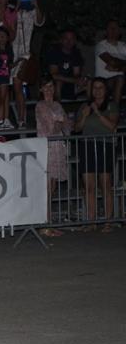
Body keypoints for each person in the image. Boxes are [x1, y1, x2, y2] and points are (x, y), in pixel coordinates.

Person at [74, 77, 118, 230]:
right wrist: (85, 115)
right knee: (89, 186)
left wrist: (98, 112)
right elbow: (77, 128)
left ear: (106, 90)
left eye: (101, 88)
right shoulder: (84, 106)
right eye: (95, 88)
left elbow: (112, 126)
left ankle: (108, 222)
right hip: (87, 145)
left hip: (105, 145)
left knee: (105, 184)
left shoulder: (111, 106)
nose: (97, 91)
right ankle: (91, 222)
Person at [35, 76, 71, 237]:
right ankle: (44, 224)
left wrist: (61, 122)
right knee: (47, 188)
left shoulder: (57, 104)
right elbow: (50, 127)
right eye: (45, 87)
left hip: (58, 147)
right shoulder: (40, 105)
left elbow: (68, 125)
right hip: (46, 147)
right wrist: (60, 121)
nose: (49, 89)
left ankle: (48, 222)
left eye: (51, 86)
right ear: (41, 89)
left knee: (53, 187)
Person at [11, 0, 45, 128]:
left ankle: (21, 120)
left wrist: (36, 4)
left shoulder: (32, 12)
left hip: (24, 55)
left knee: (18, 85)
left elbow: (40, 22)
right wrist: (18, 5)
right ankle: (11, 119)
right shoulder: (12, 10)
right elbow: (8, 24)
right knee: (11, 88)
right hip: (10, 53)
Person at [46, 30, 88, 101]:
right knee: (59, 82)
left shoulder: (76, 54)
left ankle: (89, 105)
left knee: (89, 81)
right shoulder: (54, 52)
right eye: (66, 38)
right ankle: (58, 104)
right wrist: (73, 80)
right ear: (61, 40)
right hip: (55, 82)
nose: (69, 41)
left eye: (71, 39)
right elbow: (54, 75)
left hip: (70, 81)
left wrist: (81, 79)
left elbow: (76, 74)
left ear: (74, 41)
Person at [95, 20, 126, 104]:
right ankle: (115, 110)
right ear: (106, 31)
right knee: (120, 78)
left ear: (119, 31)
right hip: (104, 82)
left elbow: (113, 64)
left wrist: (117, 67)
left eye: (115, 28)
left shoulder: (123, 46)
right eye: (110, 27)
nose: (113, 30)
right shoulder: (101, 45)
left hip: (122, 82)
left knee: (120, 78)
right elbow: (111, 61)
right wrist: (122, 67)